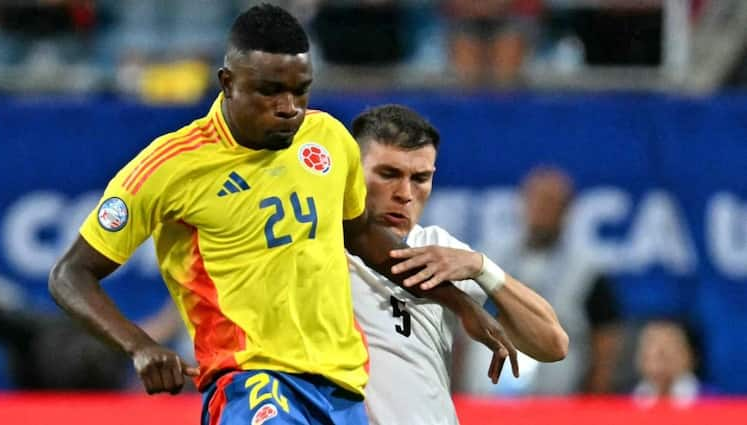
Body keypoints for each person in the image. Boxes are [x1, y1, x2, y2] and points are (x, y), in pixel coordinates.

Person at [48, 4, 513, 425]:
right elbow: (71, 273)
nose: (289, 108)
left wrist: (462, 305)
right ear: (227, 82)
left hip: (344, 391)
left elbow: (367, 239)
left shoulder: (328, 139)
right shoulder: (170, 167)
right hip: (252, 383)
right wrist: (140, 346)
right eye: (270, 92)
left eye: (300, 91)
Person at [347, 105, 568, 425]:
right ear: (354, 170)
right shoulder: (322, 249)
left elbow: (553, 344)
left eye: (420, 178)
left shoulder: (437, 249)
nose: (405, 194)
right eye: (388, 174)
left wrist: (480, 267)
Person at [459, 166, 623, 395]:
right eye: (535, 200)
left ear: (568, 210)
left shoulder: (587, 271)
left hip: (557, 405)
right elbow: (461, 329)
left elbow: (604, 340)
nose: (541, 209)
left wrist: (594, 400)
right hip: (485, 402)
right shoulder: (485, 260)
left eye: (551, 202)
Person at [633, 319, 710, 407]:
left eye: (664, 354)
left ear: (691, 356)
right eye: (648, 354)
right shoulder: (626, 402)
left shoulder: (714, 401)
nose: (657, 366)